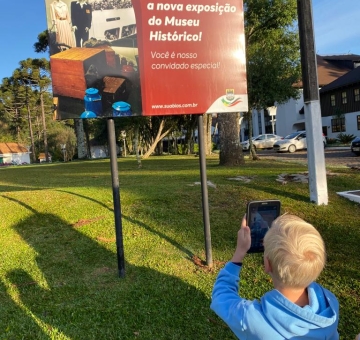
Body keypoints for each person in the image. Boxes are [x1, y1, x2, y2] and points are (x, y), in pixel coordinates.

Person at [211, 214, 339, 339]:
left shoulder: (252, 318)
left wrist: (239, 253)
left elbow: (221, 296)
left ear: (267, 264)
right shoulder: (330, 302)